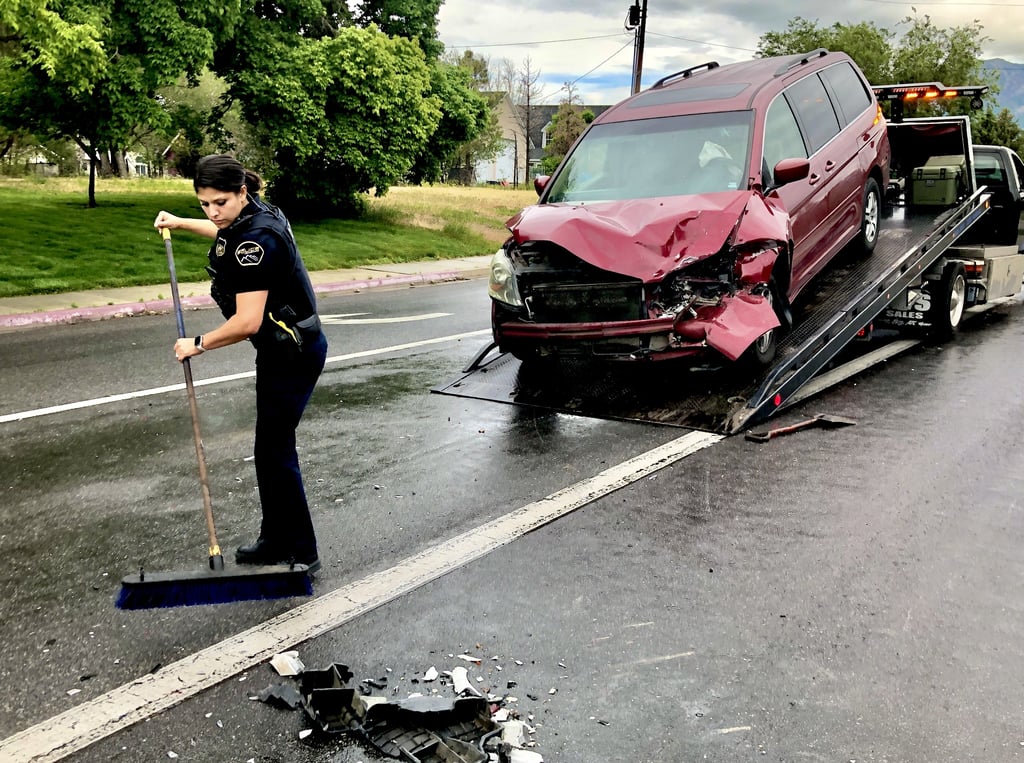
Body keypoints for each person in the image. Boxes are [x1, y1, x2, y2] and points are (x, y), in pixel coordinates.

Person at [154, 154, 328, 573]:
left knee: (275, 448)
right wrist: (180, 222)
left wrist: (197, 343)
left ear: (241, 193)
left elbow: (247, 322)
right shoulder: (249, 216)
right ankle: (275, 539)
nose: (213, 212)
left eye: (220, 203)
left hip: (293, 352)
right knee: (268, 448)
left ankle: (302, 550)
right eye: (204, 204)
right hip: (283, 347)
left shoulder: (256, 244)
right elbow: (221, 233)